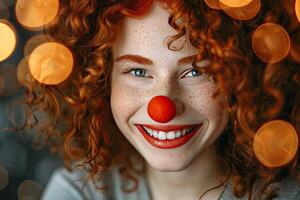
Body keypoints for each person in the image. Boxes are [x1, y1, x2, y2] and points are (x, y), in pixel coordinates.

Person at [17, 0, 300, 199]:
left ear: (239, 77)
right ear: (103, 80)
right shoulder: (79, 193)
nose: (163, 107)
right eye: (138, 71)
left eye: (196, 71)